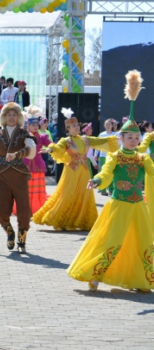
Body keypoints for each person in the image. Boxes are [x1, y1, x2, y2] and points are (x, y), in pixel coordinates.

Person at [68, 71, 154, 292]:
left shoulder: (143, 158)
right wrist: (96, 181)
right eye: (130, 138)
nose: (134, 141)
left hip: (138, 208)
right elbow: (106, 173)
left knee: (142, 243)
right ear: (121, 139)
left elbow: (152, 171)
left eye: (137, 138)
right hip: (118, 206)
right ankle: (95, 275)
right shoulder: (115, 157)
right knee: (111, 241)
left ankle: (143, 279)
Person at [34, 108, 119, 231]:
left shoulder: (85, 139)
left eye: (77, 125)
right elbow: (58, 148)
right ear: (68, 128)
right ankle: (64, 219)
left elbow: (101, 140)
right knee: (69, 193)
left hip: (84, 171)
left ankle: (83, 220)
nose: (76, 127)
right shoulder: (66, 141)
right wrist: (50, 149)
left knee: (84, 194)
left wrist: (117, 137)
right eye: (73, 126)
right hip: (71, 171)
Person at [0, 103, 37, 253]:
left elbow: (32, 150)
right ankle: (10, 232)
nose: (11, 117)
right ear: (4, 117)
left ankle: (22, 239)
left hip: (20, 176)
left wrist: (17, 154)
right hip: (2, 178)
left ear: (19, 117)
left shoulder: (24, 134)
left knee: (24, 210)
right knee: (0, 212)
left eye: (14, 115)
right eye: (9, 115)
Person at [23, 107, 52, 214]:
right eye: (33, 125)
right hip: (25, 167)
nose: (35, 127)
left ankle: (37, 208)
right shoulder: (23, 137)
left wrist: (51, 148)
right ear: (28, 126)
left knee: (38, 191)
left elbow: (51, 144)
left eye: (36, 125)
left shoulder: (42, 137)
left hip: (38, 167)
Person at [97, 118, 119, 196]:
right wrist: (96, 155)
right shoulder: (101, 134)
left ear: (112, 125)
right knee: (103, 172)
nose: (108, 126)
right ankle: (103, 190)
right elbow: (98, 145)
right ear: (104, 125)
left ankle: (111, 189)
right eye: (106, 124)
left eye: (109, 124)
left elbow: (119, 145)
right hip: (103, 156)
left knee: (111, 173)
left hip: (112, 157)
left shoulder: (115, 134)